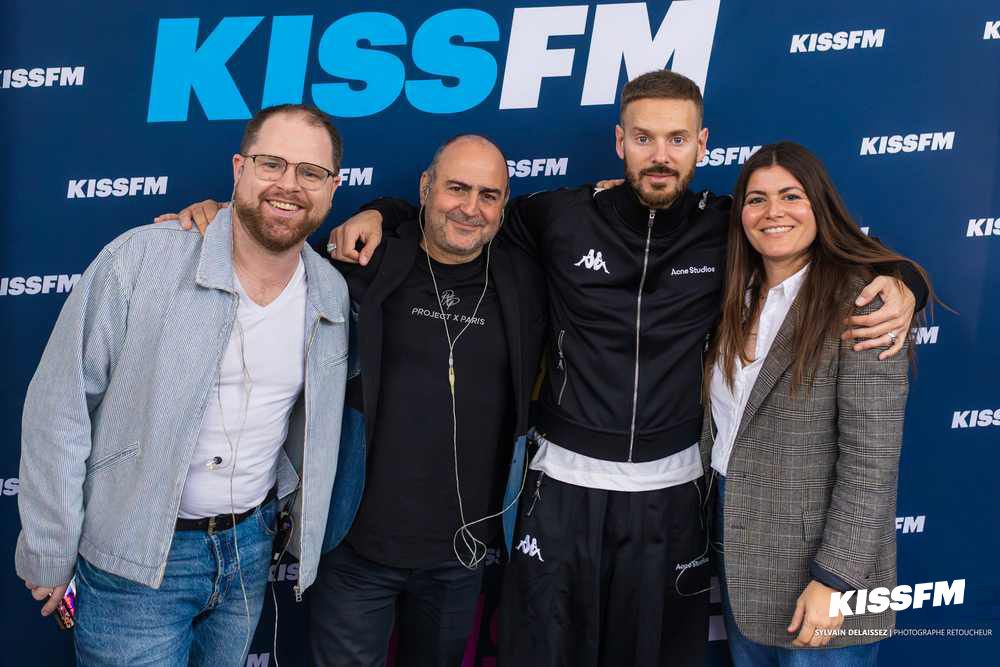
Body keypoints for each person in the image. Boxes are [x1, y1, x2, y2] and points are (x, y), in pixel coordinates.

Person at [328, 70, 927, 666]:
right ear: (620, 141)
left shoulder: (731, 226)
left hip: (672, 493)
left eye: (677, 139)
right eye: (644, 138)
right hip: (560, 486)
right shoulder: (558, 214)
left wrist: (907, 285)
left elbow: (826, 248)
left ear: (702, 144)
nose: (660, 155)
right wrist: (382, 211)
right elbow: (459, 220)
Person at [157, 135, 548, 666]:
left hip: (462, 555)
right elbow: (269, 249)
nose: (470, 208)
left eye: (488, 195)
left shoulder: (524, 279)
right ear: (425, 188)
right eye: (456, 189)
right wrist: (215, 221)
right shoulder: (362, 260)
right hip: (356, 549)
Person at [16, 103, 354, 667]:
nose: (289, 185)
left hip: (248, 552)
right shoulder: (141, 260)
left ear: (333, 187)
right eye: (272, 164)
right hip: (134, 561)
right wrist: (49, 551)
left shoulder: (332, 292)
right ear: (240, 169)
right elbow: (59, 409)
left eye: (310, 172)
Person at [703, 141, 930, 665]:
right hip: (741, 561)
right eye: (757, 199)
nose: (773, 212)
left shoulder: (864, 302)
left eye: (791, 196)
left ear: (820, 206)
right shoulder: (735, 297)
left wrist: (836, 580)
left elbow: (872, 462)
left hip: (823, 577)